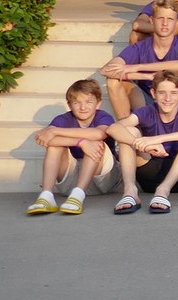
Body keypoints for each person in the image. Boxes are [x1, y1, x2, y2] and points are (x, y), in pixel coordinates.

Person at [107, 69, 178, 214]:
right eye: (162, 93)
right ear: (153, 93)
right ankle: (130, 191)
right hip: (151, 177)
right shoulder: (147, 111)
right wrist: (143, 145)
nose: (168, 98)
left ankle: (163, 190)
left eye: (173, 93)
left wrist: (158, 139)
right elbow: (113, 128)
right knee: (129, 131)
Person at [26, 79, 115, 216]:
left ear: (98, 103)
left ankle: (77, 196)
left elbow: (99, 133)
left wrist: (55, 131)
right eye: (77, 102)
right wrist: (81, 143)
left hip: (101, 179)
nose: (83, 107)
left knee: (96, 143)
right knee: (55, 146)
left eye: (88, 102)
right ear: (69, 105)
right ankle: (46, 196)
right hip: (70, 181)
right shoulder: (63, 119)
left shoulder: (103, 116)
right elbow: (46, 139)